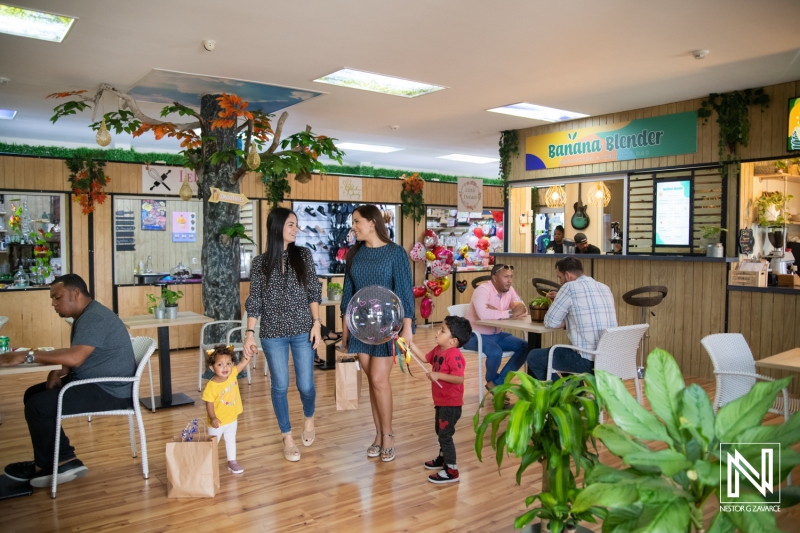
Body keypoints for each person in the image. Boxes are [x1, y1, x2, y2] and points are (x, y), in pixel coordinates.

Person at [0, 274, 136, 488]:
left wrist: (27, 355)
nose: (54, 304)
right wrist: (58, 371)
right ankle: (64, 458)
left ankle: (48, 464)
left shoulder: (94, 318)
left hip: (110, 390)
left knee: (38, 406)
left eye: (57, 297)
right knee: (33, 395)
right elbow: (81, 354)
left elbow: (76, 357)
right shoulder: (87, 315)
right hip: (96, 381)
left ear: (75, 293)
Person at [244, 207, 322, 463]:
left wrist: (317, 323)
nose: (296, 229)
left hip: (302, 329)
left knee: (306, 385)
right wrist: (249, 333)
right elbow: (255, 300)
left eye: (296, 224)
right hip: (272, 333)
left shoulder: (304, 255)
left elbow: (313, 290)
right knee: (280, 386)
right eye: (291, 224)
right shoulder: (260, 263)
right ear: (277, 227)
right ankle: (287, 435)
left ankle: (309, 419)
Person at [340, 204, 414, 463]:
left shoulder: (396, 253)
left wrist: (408, 329)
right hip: (360, 327)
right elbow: (347, 293)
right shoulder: (354, 254)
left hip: (388, 327)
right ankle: (378, 435)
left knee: (380, 381)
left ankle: (389, 435)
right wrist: (344, 330)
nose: (354, 227)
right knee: (373, 382)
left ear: (372, 222)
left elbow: (405, 291)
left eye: (357, 221)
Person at [526, 257, 617, 381]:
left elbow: (550, 322)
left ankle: (562, 396)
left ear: (567, 275)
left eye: (560, 277)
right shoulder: (604, 287)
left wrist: (559, 301)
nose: (561, 282)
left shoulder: (568, 287)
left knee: (534, 357)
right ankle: (576, 397)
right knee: (564, 355)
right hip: (610, 359)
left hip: (588, 360)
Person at [417, 316, 471, 484]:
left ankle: (451, 470)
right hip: (441, 401)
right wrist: (409, 345)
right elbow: (425, 358)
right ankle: (442, 458)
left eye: (442, 330)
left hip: (451, 403)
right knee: (440, 432)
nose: (437, 332)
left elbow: (459, 379)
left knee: (445, 436)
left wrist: (438, 375)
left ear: (453, 341)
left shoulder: (454, 355)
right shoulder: (439, 349)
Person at [463, 264, 528, 395]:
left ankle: (496, 384)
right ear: (494, 278)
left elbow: (523, 310)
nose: (509, 280)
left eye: (511, 277)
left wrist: (498, 312)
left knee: (526, 346)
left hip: (497, 335)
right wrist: (509, 313)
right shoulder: (483, 290)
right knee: (495, 352)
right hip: (474, 335)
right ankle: (495, 387)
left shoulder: (510, 290)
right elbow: (484, 315)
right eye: (505, 277)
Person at [203, 344, 251, 474]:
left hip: (232, 418)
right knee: (212, 444)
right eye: (220, 365)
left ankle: (232, 461)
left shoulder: (233, 374)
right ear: (212, 368)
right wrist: (213, 417)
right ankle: (205, 462)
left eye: (228, 363)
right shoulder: (211, 386)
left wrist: (248, 353)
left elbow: (243, 362)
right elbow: (209, 403)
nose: (225, 367)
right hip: (217, 422)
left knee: (230, 440)